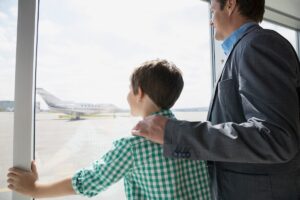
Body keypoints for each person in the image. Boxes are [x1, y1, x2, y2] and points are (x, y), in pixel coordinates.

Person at [132, 0, 300, 200]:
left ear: (230, 5)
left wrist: (174, 133)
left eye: (212, 11)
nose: (210, 21)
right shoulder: (244, 49)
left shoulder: (258, 44)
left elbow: (276, 138)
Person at [7, 59, 211, 199]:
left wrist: (34, 188)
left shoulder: (134, 147)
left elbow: (89, 181)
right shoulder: (194, 135)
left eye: (129, 89)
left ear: (138, 92)